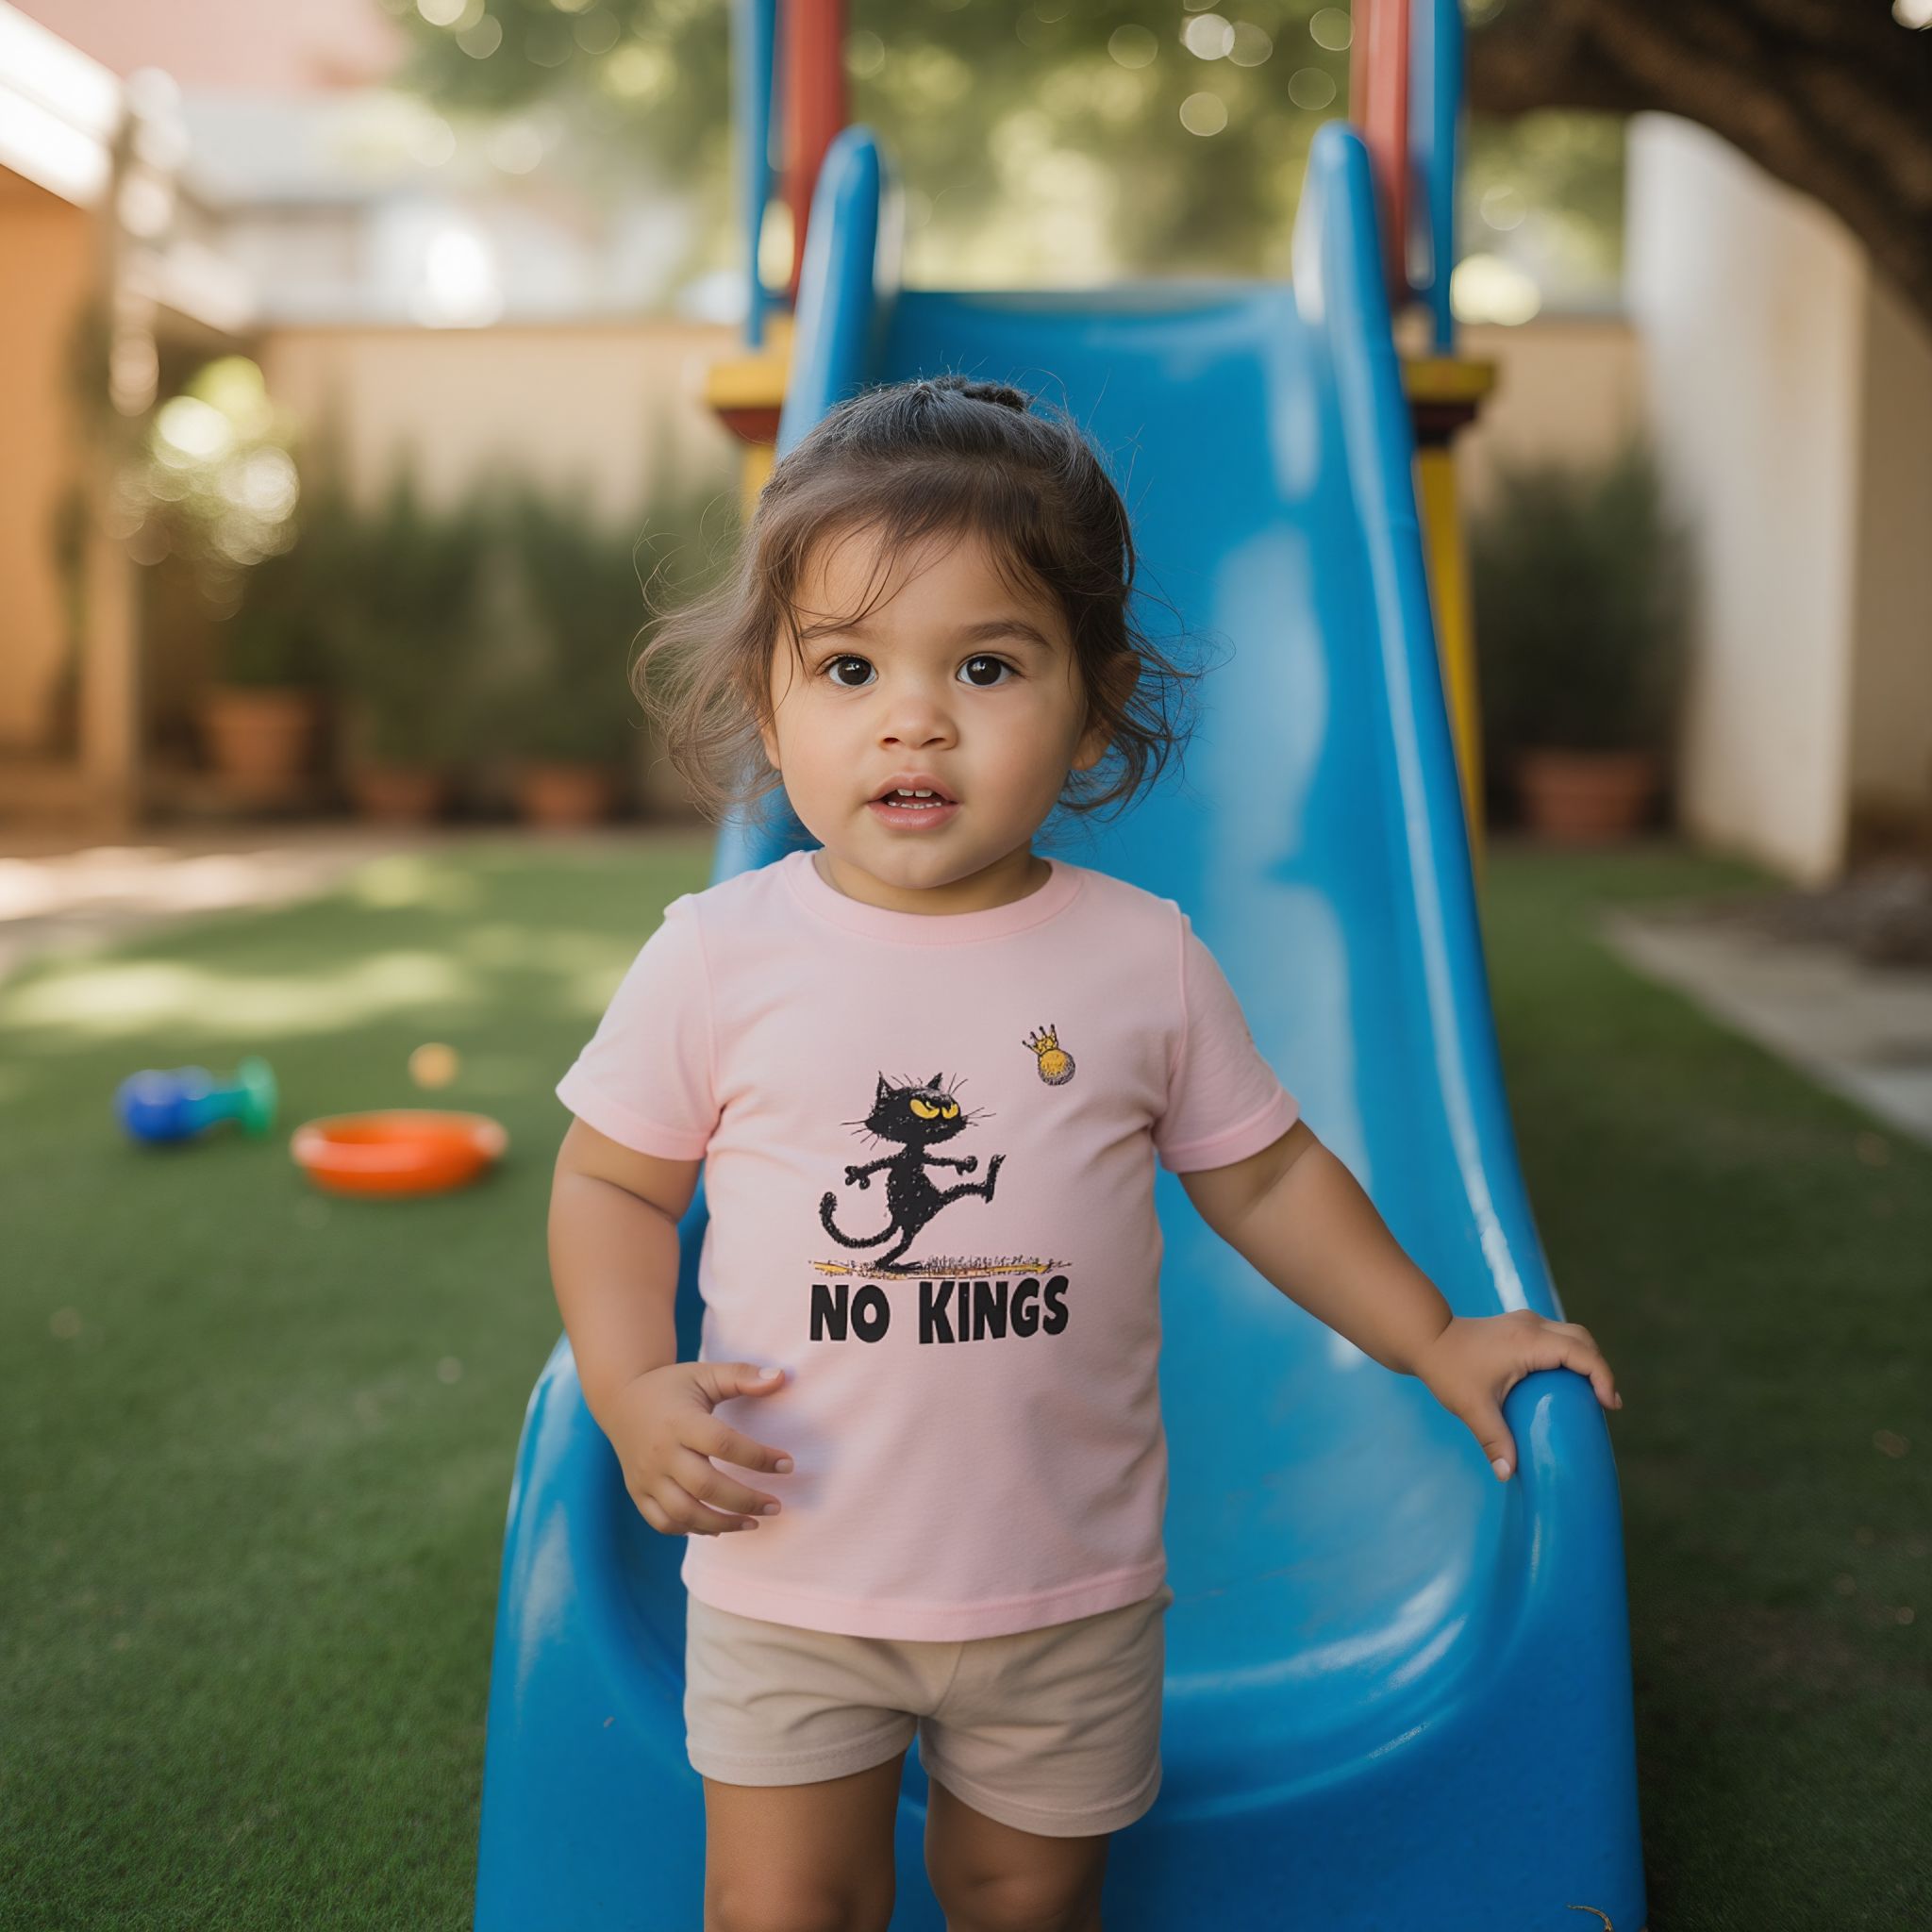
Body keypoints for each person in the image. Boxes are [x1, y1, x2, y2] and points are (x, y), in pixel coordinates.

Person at [547, 374, 1624, 1932]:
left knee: (1027, 1899)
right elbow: (610, 1183)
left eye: (985, 666)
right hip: (793, 1568)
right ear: (767, 703)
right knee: (783, 1905)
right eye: (848, 667)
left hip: (1064, 1584)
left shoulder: (1141, 961)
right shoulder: (720, 957)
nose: (914, 718)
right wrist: (630, 1382)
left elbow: (1267, 1176)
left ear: (1096, 703)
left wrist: (1435, 1336)